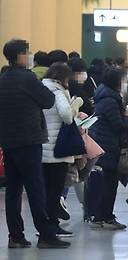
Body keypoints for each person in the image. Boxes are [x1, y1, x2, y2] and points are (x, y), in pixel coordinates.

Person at [0, 39, 70, 249]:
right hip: (29, 141)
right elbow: (48, 100)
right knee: (35, 188)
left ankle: (16, 236)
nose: (29, 55)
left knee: (13, 190)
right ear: (20, 56)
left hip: (8, 141)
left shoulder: (3, 78)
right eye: (27, 52)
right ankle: (46, 235)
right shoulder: (28, 79)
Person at [41, 62, 83, 238]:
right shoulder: (58, 92)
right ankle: (52, 225)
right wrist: (75, 105)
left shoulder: (42, 88)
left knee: (45, 190)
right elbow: (66, 116)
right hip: (57, 150)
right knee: (55, 190)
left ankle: (44, 226)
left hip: (43, 147)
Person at [88, 67, 128, 230]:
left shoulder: (103, 95)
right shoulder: (110, 100)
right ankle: (103, 217)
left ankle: (103, 215)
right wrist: (127, 117)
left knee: (108, 182)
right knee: (109, 184)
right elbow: (118, 125)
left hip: (103, 143)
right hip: (109, 145)